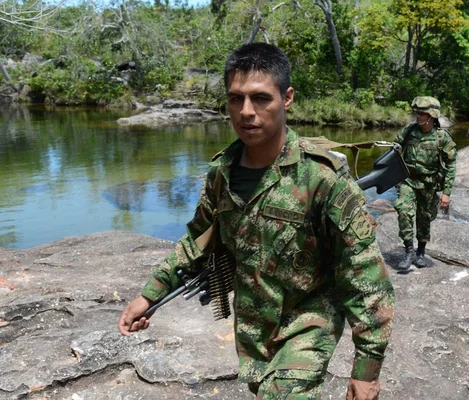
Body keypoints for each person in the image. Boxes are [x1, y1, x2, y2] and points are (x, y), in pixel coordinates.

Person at [118, 42, 395, 400]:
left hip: (310, 319)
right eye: (236, 99)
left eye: (261, 98)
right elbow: (198, 240)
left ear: (287, 98)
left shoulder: (320, 178)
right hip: (254, 328)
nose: (246, 112)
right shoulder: (222, 172)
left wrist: (367, 370)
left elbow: (365, 275)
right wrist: (149, 295)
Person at [393, 96, 457, 270]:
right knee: (403, 210)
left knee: (424, 218)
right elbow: (394, 151)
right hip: (408, 181)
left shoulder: (442, 137)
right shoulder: (409, 131)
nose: (417, 116)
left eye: (421, 113)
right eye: (416, 112)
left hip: (429, 184)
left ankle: (420, 253)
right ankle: (409, 251)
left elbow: (451, 165)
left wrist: (446, 193)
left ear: (432, 115)